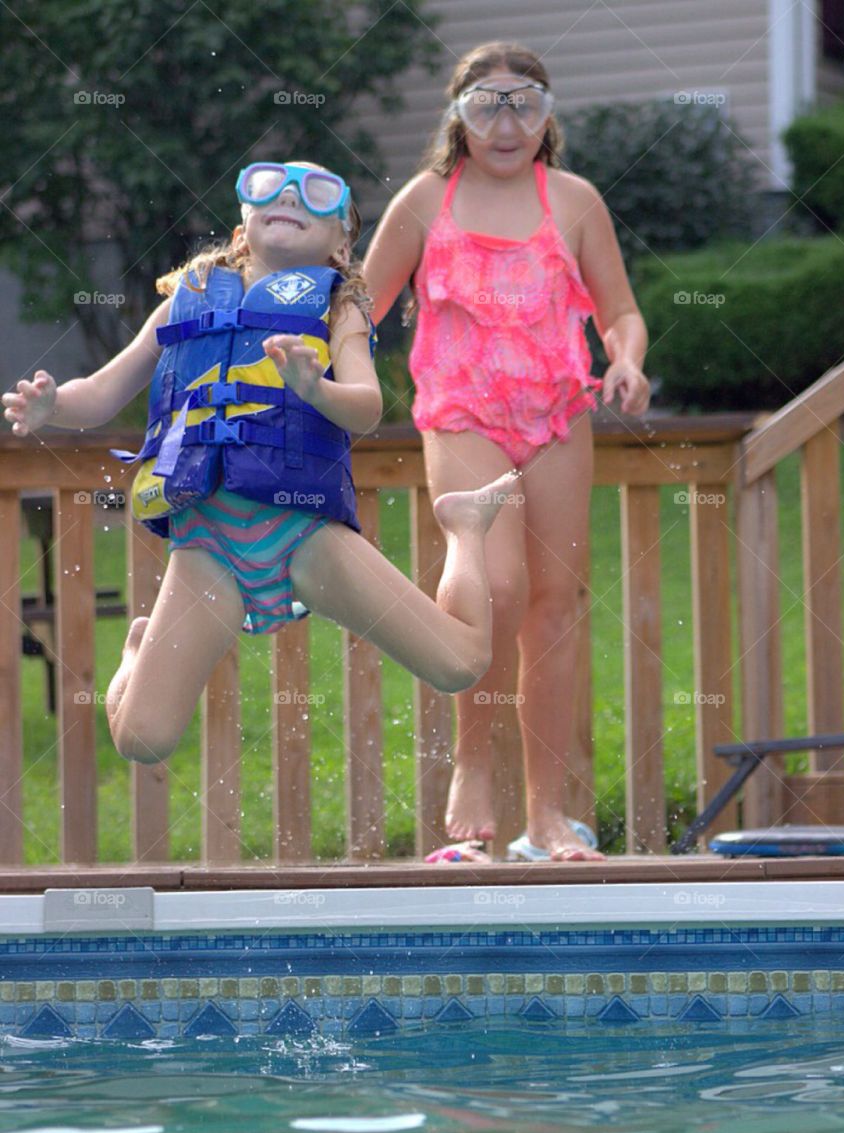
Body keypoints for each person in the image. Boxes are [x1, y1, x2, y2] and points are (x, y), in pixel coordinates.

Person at [3, 160, 519, 766]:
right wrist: (53, 406)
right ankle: (138, 652)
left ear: (341, 244)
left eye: (317, 195)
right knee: (142, 739)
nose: (291, 197)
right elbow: (104, 391)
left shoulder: (338, 309)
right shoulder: (185, 300)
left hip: (304, 534)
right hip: (208, 548)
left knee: (460, 664)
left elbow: (368, 408)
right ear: (244, 225)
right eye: (269, 186)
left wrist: (314, 387)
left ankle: (463, 527)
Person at [364, 42, 651, 862]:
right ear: (458, 116)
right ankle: (473, 771)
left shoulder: (575, 200)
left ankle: (548, 815)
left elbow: (619, 311)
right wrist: (316, 367)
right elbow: (362, 306)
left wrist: (626, 359)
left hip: (558, 413)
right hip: (460, 412)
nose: (506, 123)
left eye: (524, 103)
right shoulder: (425, 201)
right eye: (487, 104)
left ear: (548, 115)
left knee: (554, 607)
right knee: (494, 584)